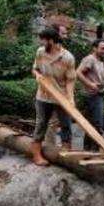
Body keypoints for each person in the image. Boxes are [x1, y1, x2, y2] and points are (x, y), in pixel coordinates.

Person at [30, 26, 76, 165]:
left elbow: (70, 80)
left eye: (43, 40)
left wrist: (70, 98)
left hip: (61, 97)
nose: (41, 43)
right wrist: (37, 75)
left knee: (65, 124)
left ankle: (66, 152)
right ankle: (36, 155)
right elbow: (35, 69)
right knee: (41, 124)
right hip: (43, 96)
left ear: (51, 41)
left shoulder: (67, 58)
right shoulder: (40, 52)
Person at [77, 39, 104, 151]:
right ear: (95, 48)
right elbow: (78, 73)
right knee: (97, 124)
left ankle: (88, 149)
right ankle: (95, 150)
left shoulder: (100, 60)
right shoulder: (90, 59)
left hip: (99, 95)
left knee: (92, 124)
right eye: (102, 48)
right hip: (92, 96)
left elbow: (99, 77)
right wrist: (90, 84)